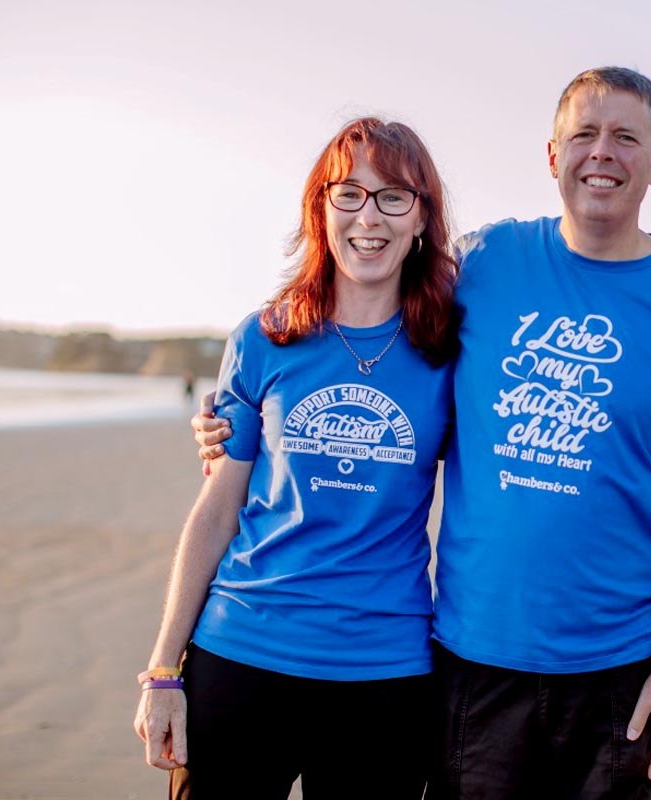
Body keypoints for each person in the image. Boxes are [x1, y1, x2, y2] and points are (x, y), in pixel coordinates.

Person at [196, 67, 651, 799]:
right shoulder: (482, 263)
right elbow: (365, 311)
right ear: (553, 155)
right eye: (584, 134)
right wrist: (240, 418)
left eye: (626, 137)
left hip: (622, 664)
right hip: (472, 659)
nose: (602, 152)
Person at [134, 117, 458, 799]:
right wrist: (163, 670)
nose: (369, 216)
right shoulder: (265, 337)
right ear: (321, 210)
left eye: (393, 196)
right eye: (349, 194)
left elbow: (518, 467)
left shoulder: (452, 353)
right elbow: (217, 509)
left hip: (385, 675)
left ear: (422, 218)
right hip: (241, 655)